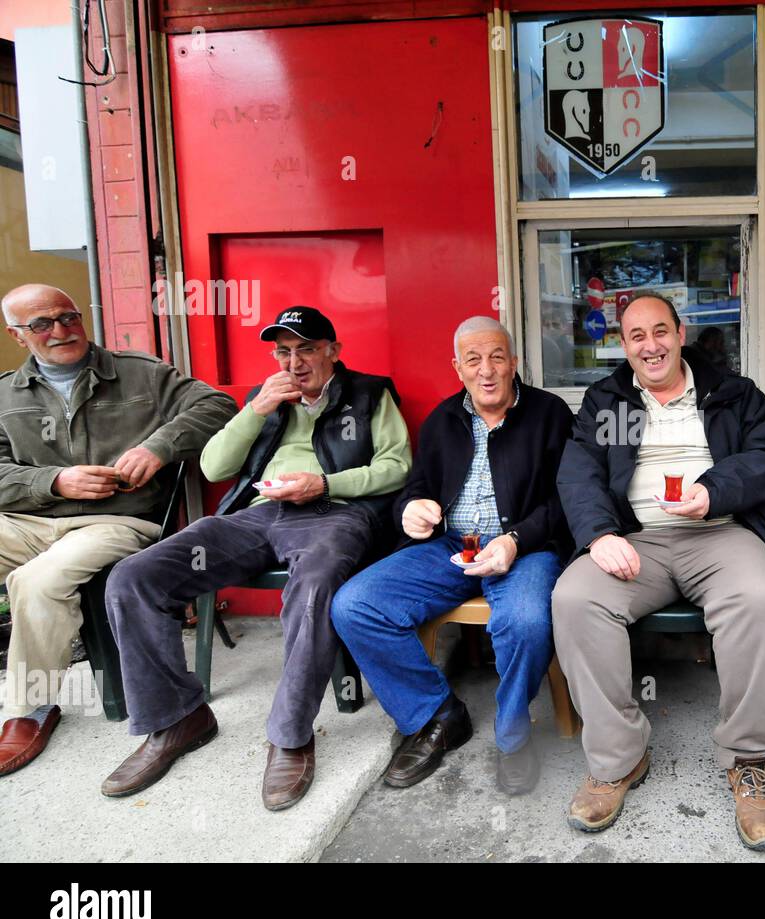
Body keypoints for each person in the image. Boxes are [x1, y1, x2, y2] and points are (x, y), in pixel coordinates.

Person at [100, 306, 411, 811]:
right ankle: (176, 719)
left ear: (333, 351)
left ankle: (290, 735)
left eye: (307, 349)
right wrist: (256, 409)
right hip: (257, 517)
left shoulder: (370, 393)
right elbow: (214, 465)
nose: (295, 362)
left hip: (334, 513)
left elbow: (398, 467)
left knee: (313, 584)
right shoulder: (263, 400)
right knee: (135, 576)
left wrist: (326, 484)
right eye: (284, 351)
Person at [551, 291, 765, 851]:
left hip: (722, 533)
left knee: (759, 600)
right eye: (636, 336)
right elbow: (579, 471)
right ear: (624, 345)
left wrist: (713, 493)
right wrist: (599, 534)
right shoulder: (606, 399)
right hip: (638, 540)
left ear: (680, 334)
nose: (650, 345)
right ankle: (618, 758)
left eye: (660, 331)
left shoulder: (734, 394)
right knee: (575, 599)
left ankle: (750, 759)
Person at [0, 284, 236, 776]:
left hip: (116, 520)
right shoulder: (4, 394)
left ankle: (31, 708)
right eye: (42, 324)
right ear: (17, 336)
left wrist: (160, 445)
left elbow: (218, 407)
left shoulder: (139, 374)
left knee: (37, 581)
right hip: (30, 519)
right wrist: (54, 481)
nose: (61, 331)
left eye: (68, 317)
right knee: (39, 571)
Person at [331, 317, 573, 795]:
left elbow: (567, 500)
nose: (486, 371)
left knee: (525, 621)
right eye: (474, 360)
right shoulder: (443, 420)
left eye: (497, 358)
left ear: (514, 363)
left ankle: (513, 735)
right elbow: (417, 487)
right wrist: (412, 510)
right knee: (354, 604)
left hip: (524, 548)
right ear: (457, 366)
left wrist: (515, 540)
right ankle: (437, 714)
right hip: (451, 546)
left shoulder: (550, 414)